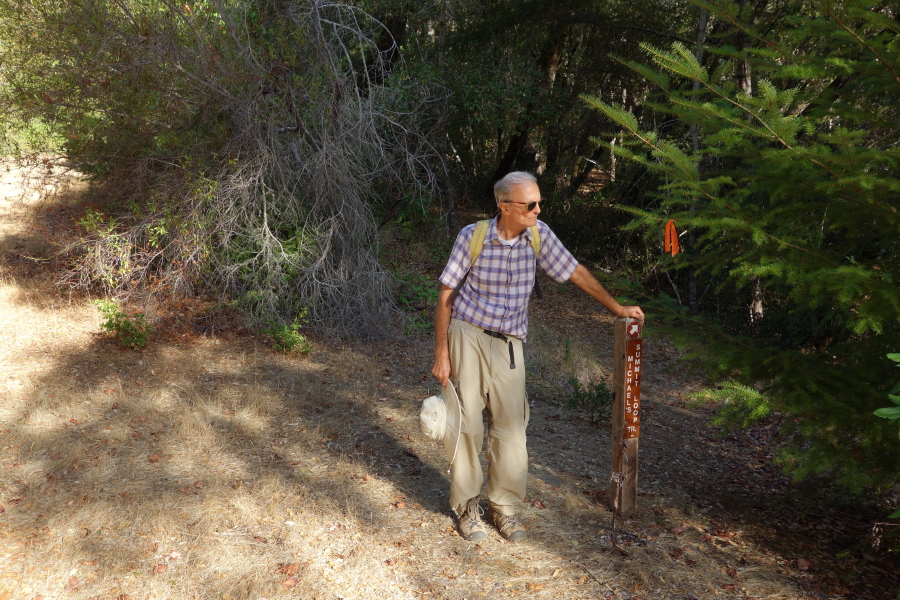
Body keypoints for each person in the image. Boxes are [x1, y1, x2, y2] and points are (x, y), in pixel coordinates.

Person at [432, 171, 645, 542]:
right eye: (530, 204)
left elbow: (574, 270)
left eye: (539, 202)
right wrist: (441, 353)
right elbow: (446, 295)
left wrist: (616, 308)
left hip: (510, 343)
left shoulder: (538, 235)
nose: (537, 210)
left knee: (512, 430)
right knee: (467, 426)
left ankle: (505, 509)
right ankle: (468, 507)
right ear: (505, 206)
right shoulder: (473, 236)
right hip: (468, 334)